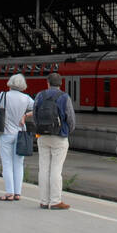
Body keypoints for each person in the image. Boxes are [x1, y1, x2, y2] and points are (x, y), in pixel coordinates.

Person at [33, 72, 76, 209]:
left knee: (44, 168)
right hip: (59, 137)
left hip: (42, 137)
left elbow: (35, 115)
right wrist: (67, 131)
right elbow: (71, 119)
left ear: (47, 83)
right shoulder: (64, 97)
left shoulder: (40, 95)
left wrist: (40, 129)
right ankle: (55, 201)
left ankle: (44, 201)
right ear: (61, 84)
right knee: (56, 170)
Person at [0, 74, 34, 201]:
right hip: (20, 134)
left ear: (10, 83)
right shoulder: (26, 98)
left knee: (7, 163)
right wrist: (25, 115)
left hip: (5, 133)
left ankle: (9, 192)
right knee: (19, 164)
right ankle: (18, 193)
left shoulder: (3, 95)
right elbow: (37, 108)